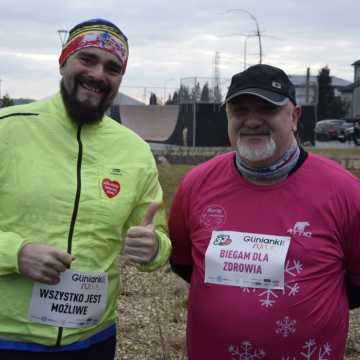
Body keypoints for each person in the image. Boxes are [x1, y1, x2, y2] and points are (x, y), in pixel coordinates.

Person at [0, 18, 171, 359]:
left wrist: (154, 248)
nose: (98, 75)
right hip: (8, 337)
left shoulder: (134, 150)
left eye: (112, 67)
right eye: (87, 59)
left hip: (93, 339)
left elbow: (157, 236)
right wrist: (14, 254)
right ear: (63, 61)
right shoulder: (8, 130)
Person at [169, 64, 360, 359]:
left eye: (266, 109)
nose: (252, 121)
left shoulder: (345, 192)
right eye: (240, 110)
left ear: (294, 116)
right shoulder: (196, 184)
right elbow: (184, 263)